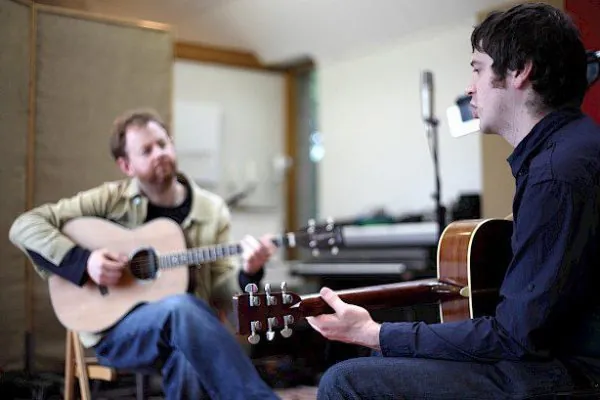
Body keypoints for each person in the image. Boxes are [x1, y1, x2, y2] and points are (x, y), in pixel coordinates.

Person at [307, 3, 600, 399]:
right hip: (561, 360)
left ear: (519, 71)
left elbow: (516, 338)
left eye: (478, 68)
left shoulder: (555, 173)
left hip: (576, 374)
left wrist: (374, 333)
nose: (469, 87)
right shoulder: (575, 148)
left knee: (345, 381)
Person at [9, 109, 280, 399]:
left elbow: (220, 294)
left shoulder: (212, 210)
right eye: (146, 151)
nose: (159, 153)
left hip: (188, 330)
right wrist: (85, 262)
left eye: (162, 144)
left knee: (189, 354)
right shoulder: (110, 199)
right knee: (180, 309)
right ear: (126, 165)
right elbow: (25, 226)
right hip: (118, 334)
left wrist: (248, 273)